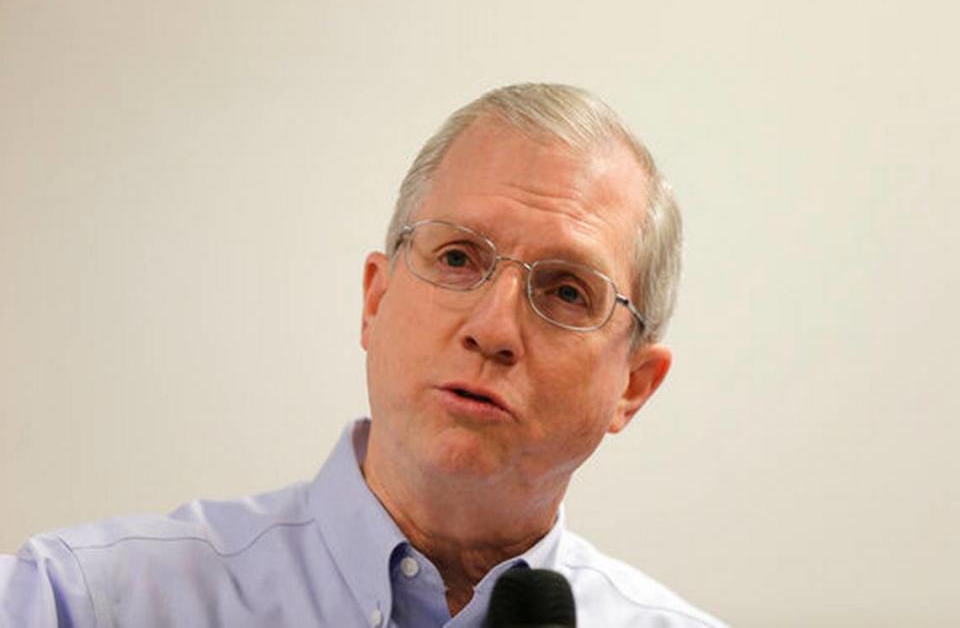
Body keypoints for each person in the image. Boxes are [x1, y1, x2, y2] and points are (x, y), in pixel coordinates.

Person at [1, 84, 726, 627]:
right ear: (375, 301)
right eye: (457, 256)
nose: (494, 326)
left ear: (633, 385)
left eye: (566, 291)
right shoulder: (81, 601)